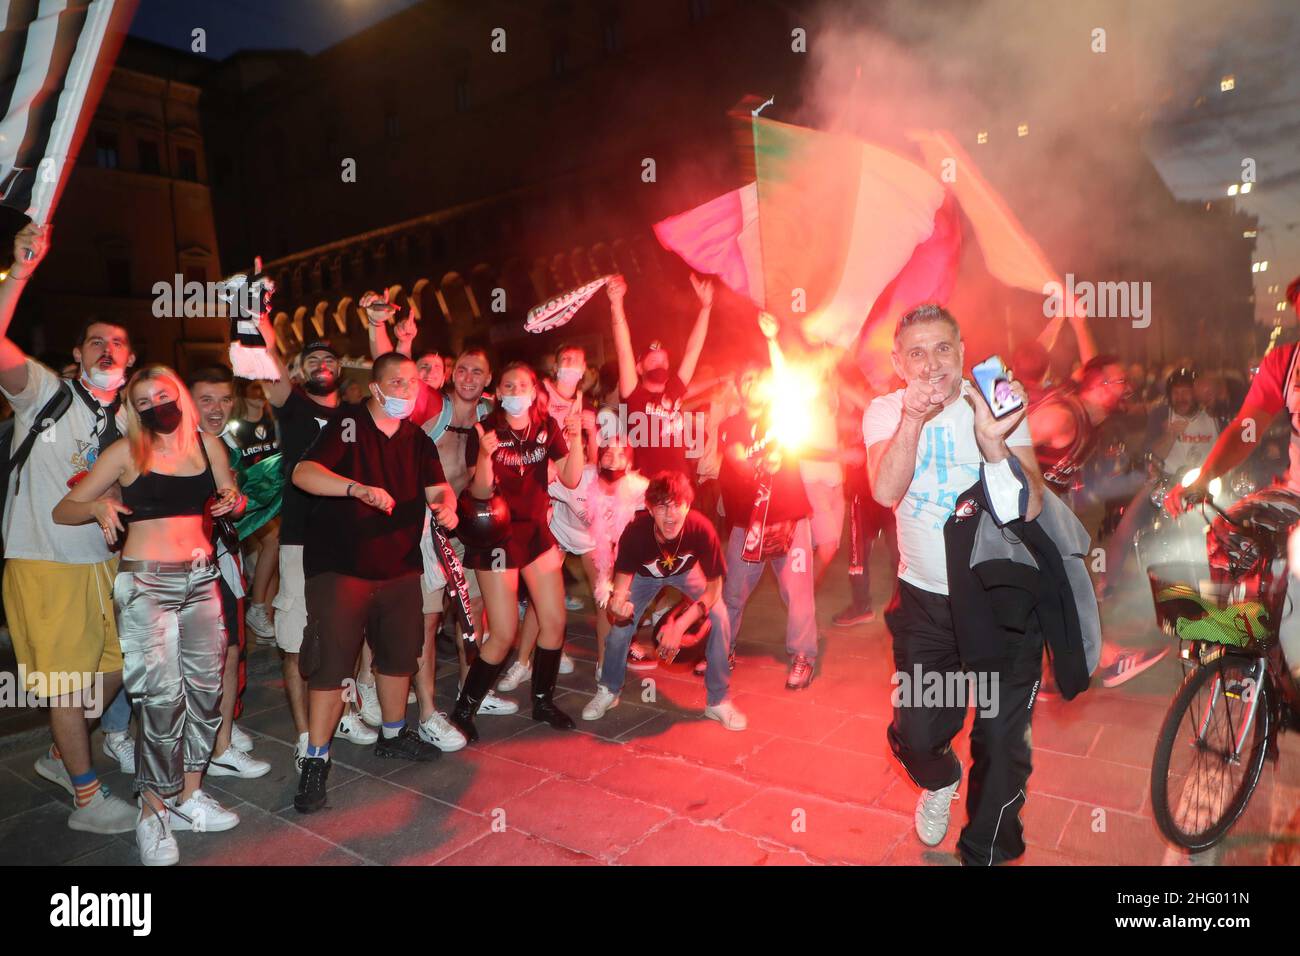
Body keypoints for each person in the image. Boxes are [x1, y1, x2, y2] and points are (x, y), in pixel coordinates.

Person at [865, 304, 1045, 865]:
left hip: (1001, 604)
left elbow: (1032, 502)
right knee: (918, 734)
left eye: (943, 348)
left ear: (963, 351)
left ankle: (985, 853)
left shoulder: (995, 399)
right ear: (898, 363)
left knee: (1000, 745)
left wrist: (994, 445)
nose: (931, 364)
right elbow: (884, 490)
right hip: (925, 603)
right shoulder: (884, 411)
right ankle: (941, 780)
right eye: (916, 353)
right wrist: (913, 421)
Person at [54, 364, 247, 866]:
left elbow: (232, 498)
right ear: (133, 410)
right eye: (142, 401)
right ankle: (152, 811)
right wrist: (97, 508)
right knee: (160, 700)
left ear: (179, 394)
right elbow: (64, 510)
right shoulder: (127, 452)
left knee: (206, 693)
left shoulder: (209, 447)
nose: (153, 406)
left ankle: (187, 796)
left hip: (203, 579)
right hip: (146, 585)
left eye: (161, 395)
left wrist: (234, 500)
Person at [0, 219, 138, 836]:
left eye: (120, 343)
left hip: (104, 565)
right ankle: (86, 798)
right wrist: (22, 271)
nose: (108, 349)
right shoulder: (46, 394)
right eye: (96, 342)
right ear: (78, 354)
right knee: (64, 686)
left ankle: (62, 755)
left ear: (131, 361)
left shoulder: (135, 422)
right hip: (45, 559)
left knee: (114, 670)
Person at [291, 353, 460, 812]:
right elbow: (303, 473)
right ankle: (315, 760)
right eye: (397, 382)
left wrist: (447, 506)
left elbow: (437, 488)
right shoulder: (347, 425)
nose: (408, 390)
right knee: (332, 665)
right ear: (376, 388)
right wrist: (354, 487)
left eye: (413, 383)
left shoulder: (419, 440)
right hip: (341, 567)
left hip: (400, 566)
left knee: (399, 657)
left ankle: (393, 734)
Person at [1168, 274, 1300, 684]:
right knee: (1226, 530)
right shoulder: (1286, 362)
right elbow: (1247, 428)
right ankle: (1242, 653)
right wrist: (1202, 478)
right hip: (1295, 491)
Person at [449, 362, 586, 741]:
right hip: (497, 538)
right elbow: (479, 493)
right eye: (508, 384)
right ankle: (464, 708)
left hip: (537, 536)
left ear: (534, 390)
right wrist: (485, 456)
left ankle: (542, 700)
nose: (516, 390)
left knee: (555, 621)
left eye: (522, 384)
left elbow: (572, 478)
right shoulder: (487, 430)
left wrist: (577, 439)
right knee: (504, 632)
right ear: (499, 391)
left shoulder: (547, 428)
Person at [257, 325, 374, 765]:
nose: (322, 367)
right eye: (312, 362)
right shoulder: (293, 405)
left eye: (329, 361)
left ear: (340, 369)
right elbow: (268, 366)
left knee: (344, 635)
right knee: (293, 640)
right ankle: (306, 735)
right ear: (299, 371)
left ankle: (341, 713)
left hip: (347, 541)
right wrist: (264, 325)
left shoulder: (355, 414)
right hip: (300, 542)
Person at [582, 471, 745, 729]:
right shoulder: (635, 534)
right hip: (645, 578)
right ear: (649, 508)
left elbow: (714, 589)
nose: (670, 516)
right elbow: (622, 588)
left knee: (720, 616)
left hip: (686, 572)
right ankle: (609, 690)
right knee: (619, 631)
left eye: (677, 506)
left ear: (688, 505)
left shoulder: (700, 528)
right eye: (662, 507)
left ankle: (718, 700)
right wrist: (618, 606)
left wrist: (679, 626)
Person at [186, 365, 271, 779]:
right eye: (206, 399)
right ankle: (202, 744)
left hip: (220, 562)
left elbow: (232, 499)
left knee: (231, 650)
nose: (217, 408)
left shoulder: (219, 442)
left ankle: (220, 738)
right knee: (192, 662)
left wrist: (235, 502)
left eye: (224, 399)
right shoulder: (161, 445)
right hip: (175, 571)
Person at [718, 351, 818, 691]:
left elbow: (794, 401)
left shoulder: (782, 416)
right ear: (737, 388)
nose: (753, 385)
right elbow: (737, 462)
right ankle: (724, 651)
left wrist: (774, 341)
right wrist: (762, 465)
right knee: (733, 594)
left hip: (790, 518)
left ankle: (803, 656)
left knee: (799, 593)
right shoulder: (730, 426)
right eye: (746, 380)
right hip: (748, 525)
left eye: (759, 379)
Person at [608, 273, 713, 482]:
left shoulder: (674, 391)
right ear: (639, 368)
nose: (660, 363)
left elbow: (693, 351)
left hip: (681, 487)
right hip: (646, 489)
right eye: (653, 360)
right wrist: (616, 304)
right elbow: (623, 350)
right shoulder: (634, 394)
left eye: (663, 360)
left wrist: (706, 307)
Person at [832, 357, 898, 626]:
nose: (875, 377)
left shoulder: (896, 399)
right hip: (863, 491)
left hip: (893, 488)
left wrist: (835, 377)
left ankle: (903, 604)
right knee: (858, 554)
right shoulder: (859, 404)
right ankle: (861, 605)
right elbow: (847, 426)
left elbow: (869, 404)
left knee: (900, 551)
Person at [225, 378, 280, 641]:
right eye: (254, 388)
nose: (260, 393)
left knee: (271, 562)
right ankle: (257, 608)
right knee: (273, 543)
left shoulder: (272, 424)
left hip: (271, 498)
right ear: (243, 393)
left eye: (263, 388)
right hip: (247, 500)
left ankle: (263, 622)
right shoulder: (234, 429)